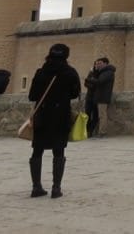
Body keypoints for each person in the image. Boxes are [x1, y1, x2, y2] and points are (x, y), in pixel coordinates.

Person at [28, 43, 81, 198]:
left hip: (42, 115)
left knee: (37, 150)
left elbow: (32, 95)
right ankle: (56, 188)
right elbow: (74, 93)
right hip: (60, 115)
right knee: (59, 151)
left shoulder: (41, 72)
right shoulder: (70, 73)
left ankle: (36, 187)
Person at [83, 56, 115, 138]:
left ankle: (102, 133)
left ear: (105, 63)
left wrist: (90, 79)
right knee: (90, 115)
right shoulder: (99, 72)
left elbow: (100, 81)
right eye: (97, 63)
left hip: (102, 97)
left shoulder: (107, 72)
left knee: (101, 115)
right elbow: (87, 83)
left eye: (100, 63)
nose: (98, 65)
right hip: (94, 97)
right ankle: (90, 131)